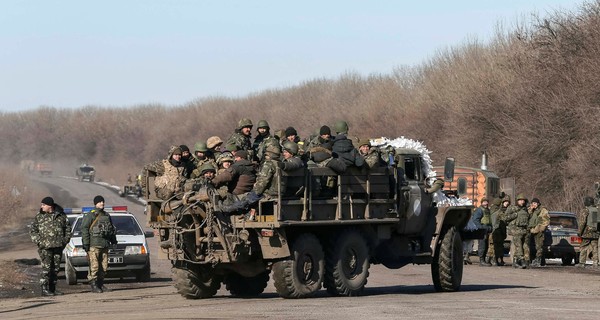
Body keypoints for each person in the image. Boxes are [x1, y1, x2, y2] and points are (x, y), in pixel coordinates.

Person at [29, 196, 71, 296]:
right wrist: (39, 242)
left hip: (58, 246)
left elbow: (68, 229)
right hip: (45, 247)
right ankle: (44, 289)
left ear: (50, 206)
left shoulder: (61, 216)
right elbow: (33, 231)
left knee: (55, 269)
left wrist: (64, 241)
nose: (42, 206)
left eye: (44, 205)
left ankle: (52, 288)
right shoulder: (39, 216)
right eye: (42, 204)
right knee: (46, 269)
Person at [81, 195, 117, 293]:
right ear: (95, 203)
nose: (102, 203)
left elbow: (111, 230)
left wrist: (114, 241)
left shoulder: (106, 215)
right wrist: (86, 244)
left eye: (103, 201)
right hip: (94, 245)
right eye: (100, 202)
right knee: (94, 266)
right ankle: (93, 284)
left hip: (104, 244)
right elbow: (84, 229)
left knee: (104, 266)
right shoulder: (91, 215)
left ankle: (100, 284)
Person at [507, 193, 530, 269]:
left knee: (522, 246)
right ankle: (521, 260)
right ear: (517, 201)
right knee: (518, 245)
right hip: (515, 229)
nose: (522, 202)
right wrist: (515, 215)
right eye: (520, 200)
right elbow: (505, 218)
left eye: (523, 200)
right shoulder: (512, 208)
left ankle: (515, 262)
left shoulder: (525, 209)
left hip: (523, 230)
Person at [577, 196, 599, 268]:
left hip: (587, 232)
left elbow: (583, 222)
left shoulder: (586, 210)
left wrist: (579, 232)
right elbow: (595, 222)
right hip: (595, 232)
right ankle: (595, 262)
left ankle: (582, 263)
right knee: (595, 248)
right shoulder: (596, 210)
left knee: (583, 247)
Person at [528, 198, 550, 267]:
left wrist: (541, 228)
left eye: (535, 203)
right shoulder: (530, 210)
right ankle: (536, 260)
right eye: (533, 203)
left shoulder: (543, 210)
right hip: (531, 230)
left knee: (539, 246)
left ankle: (538, 260)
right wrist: (530, 210)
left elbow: (546, 220)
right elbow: (526, 217)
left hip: (538, 230)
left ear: (538, 204)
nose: (534, 205)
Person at [472, 198, 492, 266]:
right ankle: (481, 260)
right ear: (482, 203)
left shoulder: (487, 210)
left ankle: (483, 259)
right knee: (482, 245)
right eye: (484, 202)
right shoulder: (479, 210)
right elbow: (475, 220)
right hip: (482, 230)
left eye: (487, 202)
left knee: (486, 245)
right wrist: (481, 228)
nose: (486, 203)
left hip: (487, 229)